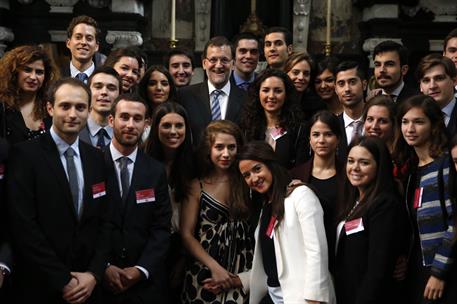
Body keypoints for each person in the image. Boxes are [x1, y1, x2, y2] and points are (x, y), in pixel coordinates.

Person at [6, 78, 111, 304]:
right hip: (39, 286)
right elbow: (23, 225)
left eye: (80, 107)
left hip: (88, 287)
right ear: (50, 108)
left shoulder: (96, 158)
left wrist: (94, 274)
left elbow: (105, 220)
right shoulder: (25, 156)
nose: (73, 114)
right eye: (65, 106)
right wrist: (62, 279)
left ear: (89, 110)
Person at [238, 141, 334, 304]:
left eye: (257, 169)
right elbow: (271, 261)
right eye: (247, 175)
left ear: (271, 165)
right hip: (273, 296)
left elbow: (316, 250)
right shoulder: (265, 207)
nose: (254, 178)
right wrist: (239, 279)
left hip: (303, 298)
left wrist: (313, 297)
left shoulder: (301, 195)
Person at [103, 93, 171, 303]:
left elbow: (161, 227)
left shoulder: (155, 170)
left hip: (145, 285)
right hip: (99, 282)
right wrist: (103, 266)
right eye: (124, 117)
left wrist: (141, 269)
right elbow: (85, 224)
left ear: (147, 123)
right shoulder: (92, 163)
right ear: (111, 120)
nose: (131, 125)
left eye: (137, 118)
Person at [181, 120, 253, 304]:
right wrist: (214, 267)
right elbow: (187, 235)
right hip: (205, 271)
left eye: (232, 147)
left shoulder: (247, 181)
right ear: (209, 149)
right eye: (219, 147)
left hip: (242, 269)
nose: (226, 153)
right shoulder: (197, 185)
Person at [393, 95, 456, 303]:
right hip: (417, 270)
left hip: (445, 272)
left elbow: (455, 223)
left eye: (418, 122)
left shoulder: (446, 164)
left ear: (433, 125)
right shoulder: (411, 170)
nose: (410, 128)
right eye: (405, 121)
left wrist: (439, 272)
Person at [334, 136, 406, 304]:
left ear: (379, 167)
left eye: (364, 163)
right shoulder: (350, 200)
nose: (355, 168)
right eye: (351, 161)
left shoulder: (385, 205)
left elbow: (378, 269)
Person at [144, 101, 195, 304]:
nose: (173, 131)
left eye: (179, 126)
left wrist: (183, 258)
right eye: (166, 125)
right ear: (155, 128)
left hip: (182, 246)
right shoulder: (143, 160)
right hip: (149, 245)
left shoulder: (194, 164)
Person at [290, 110, 344, 272]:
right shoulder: (295, 175)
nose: (321, 140)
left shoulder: (350, 174)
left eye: (328, 134)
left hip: (341, 253)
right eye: (316, 135)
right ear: (309, 139)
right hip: (306, 256)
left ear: (338, 139)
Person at [176, 36, 246, 144]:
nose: (218, 65)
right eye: (213, 60)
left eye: (224, 60)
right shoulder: (185, 96)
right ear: (204, 63)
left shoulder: (246, 98)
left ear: (233, 64)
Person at [241, 68, 307, 169]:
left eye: (278, 91)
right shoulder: (247, 126)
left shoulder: (299, 128)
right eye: (266, 90)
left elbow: (301, 167)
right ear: (258, 93)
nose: (271, 96)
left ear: (286, 94)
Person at [0, 45, 57, 144]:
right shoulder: (3, 106)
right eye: (27, 70)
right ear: (15, 72)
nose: (33, 77)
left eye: (39, 72)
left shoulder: (51, 106)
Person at [416, 54, 457, 137]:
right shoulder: (413, 115)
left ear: (454, 81)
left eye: (439, 78)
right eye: (426, 80)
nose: (432, 86)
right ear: (420, 86)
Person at [79, 66, 121, 148]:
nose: (104, 92)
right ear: (88, 92)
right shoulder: (74, 129)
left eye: (111, 88)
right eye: (98, 87)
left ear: (120, 95)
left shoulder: (125, 133)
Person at [335, 61, 367, 161]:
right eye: (341, 84)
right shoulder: (332, 125)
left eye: (352, 82)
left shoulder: (377, 122)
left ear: (364, 85)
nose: (347, 89)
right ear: (335, 89)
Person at [285, 51, 327, 121]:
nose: (301, 77)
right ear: (286, 73)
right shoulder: (278, 101)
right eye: (295, 73)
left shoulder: (317, 106)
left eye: (306, 74)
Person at [62, 15, 102, 81]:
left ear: (96, 46)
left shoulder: (104, 78)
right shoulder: (56, 77)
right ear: (68, 43)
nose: (83, 42)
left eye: (89, 39)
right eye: (78, 37)